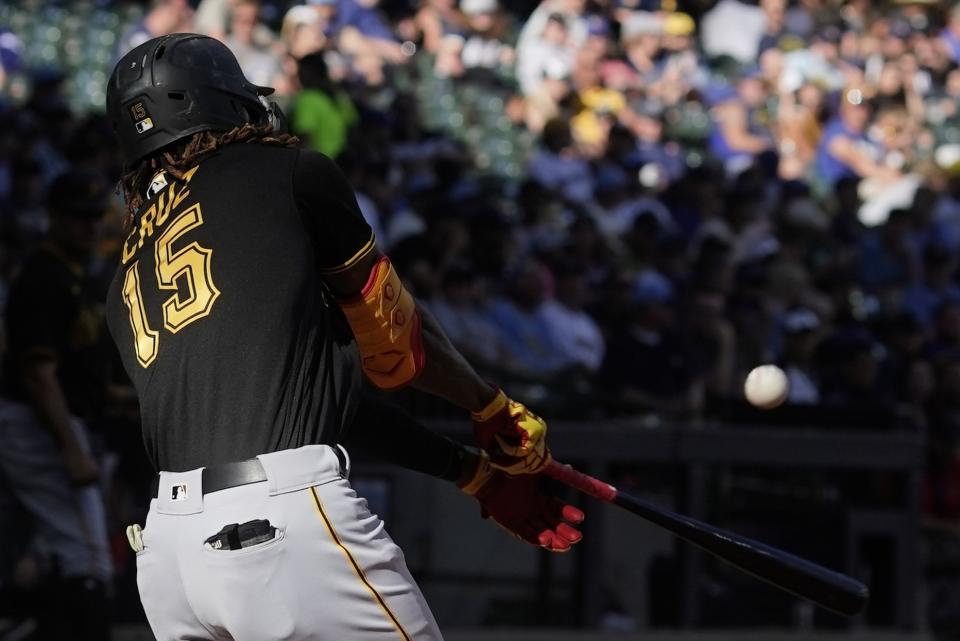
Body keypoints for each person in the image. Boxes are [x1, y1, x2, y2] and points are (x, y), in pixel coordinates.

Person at [104, 34, 582, 641]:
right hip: (281, 528)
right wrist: (487, 406)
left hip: (169, 553)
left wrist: (474, 473)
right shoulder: (286, 171)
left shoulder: (123, 265)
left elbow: (321, 403)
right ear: (225, 102)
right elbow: (396, 342)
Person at [0, 169, 114, 640]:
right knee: (88, 559)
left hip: (56, 420)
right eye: (77, 218)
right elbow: (38, 373)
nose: (89, 227)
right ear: (53, 218)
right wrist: (70, 448)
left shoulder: (74, 273)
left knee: (51, 552)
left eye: (94, 217)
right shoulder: (43, 276)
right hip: (40, 424)